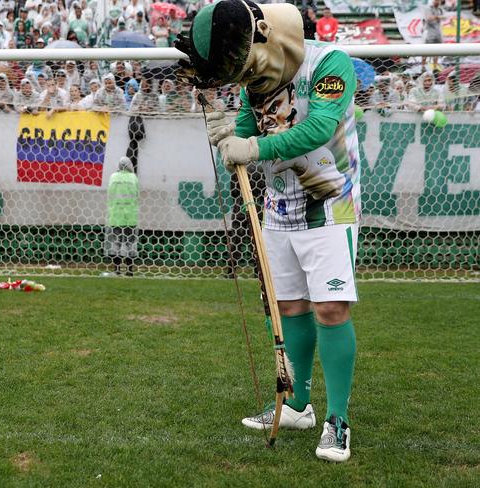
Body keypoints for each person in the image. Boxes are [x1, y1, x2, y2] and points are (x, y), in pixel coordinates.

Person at [177, 1, 360, 463]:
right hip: (277, 209)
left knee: (331, 309)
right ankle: (297, 403)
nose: (247, 82)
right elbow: (244, 126)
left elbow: (320, 126)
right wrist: (228, 139)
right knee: (289, 307)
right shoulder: (253, 83)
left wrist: (252, 145)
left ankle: (338, 419)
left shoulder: (328, 63)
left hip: (329, 207)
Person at [104, 156, 140, 276]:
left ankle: (117, 270)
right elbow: (137, 194)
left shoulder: (113, 177)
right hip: (130, 216)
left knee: (116, 243)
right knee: (130, 244)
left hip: (116, 215)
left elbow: (109, 194)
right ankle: (130, 270)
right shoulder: (133, 177)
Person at [422, 0, 444, 71]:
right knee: (425, 50)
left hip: (437, 32)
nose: (437, 2)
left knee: (437, 50)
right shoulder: (428, 8)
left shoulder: (440, 9)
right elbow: (428, 18)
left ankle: (435, 67)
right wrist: (438, 17)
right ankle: (423, 66)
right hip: (429, 33)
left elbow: (444, 17)